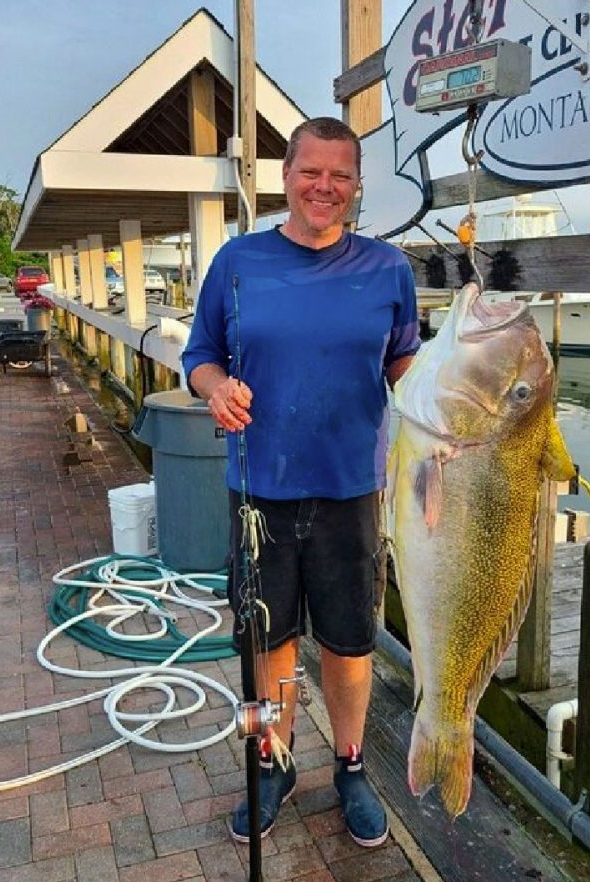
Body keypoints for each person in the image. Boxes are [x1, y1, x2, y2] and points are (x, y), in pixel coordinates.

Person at [181, 117, 420, 847]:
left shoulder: (389, 269)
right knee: (267, 640)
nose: (324, 187)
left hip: (352, 489)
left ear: (355, 185)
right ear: (285, 176)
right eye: (309, 172)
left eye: (339, 175)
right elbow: (201, 356)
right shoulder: (237, 262)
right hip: (260, 489)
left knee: (350, 644)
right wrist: (216, 387)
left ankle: (350, 765)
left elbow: (408, 369)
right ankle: (273, 760)